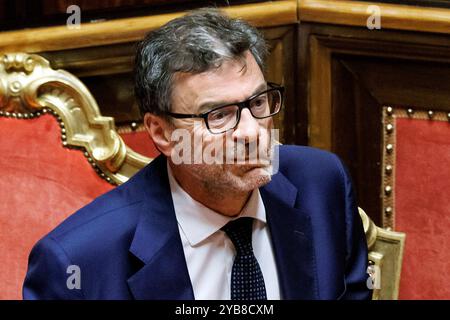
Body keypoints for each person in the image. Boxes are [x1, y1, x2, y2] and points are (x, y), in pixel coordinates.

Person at [23, 8, 371, 300]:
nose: (252, 132)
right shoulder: (77, 262)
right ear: (162, 133)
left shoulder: (322, 185)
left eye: (258, 102)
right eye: (218, 115)